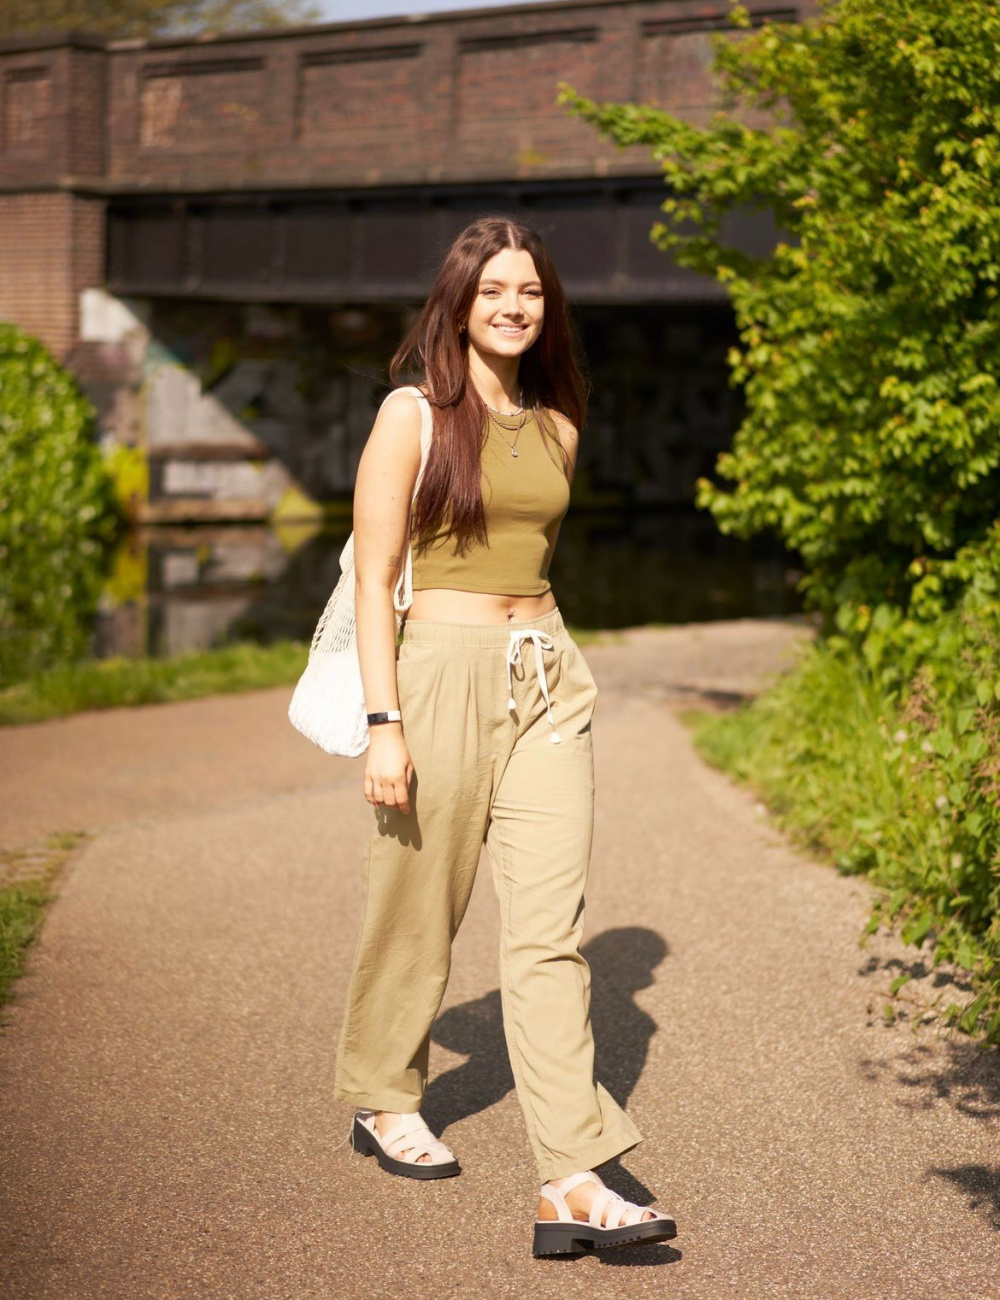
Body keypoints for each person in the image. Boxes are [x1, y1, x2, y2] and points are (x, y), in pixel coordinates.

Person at [334, 216, 676, 1257]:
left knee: (549, 932)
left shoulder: (559, 423)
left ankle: (569, 1176)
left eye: (529, 290)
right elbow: (369, 579)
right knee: (418, 905)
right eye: (494, 291)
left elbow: (529, 553)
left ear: (547, 304)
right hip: (435, 672)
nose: (514, 305)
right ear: (459, 303)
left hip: (547, 677)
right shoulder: (412, 415)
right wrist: (383, 722)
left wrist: (544, 658)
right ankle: (383, 1090)